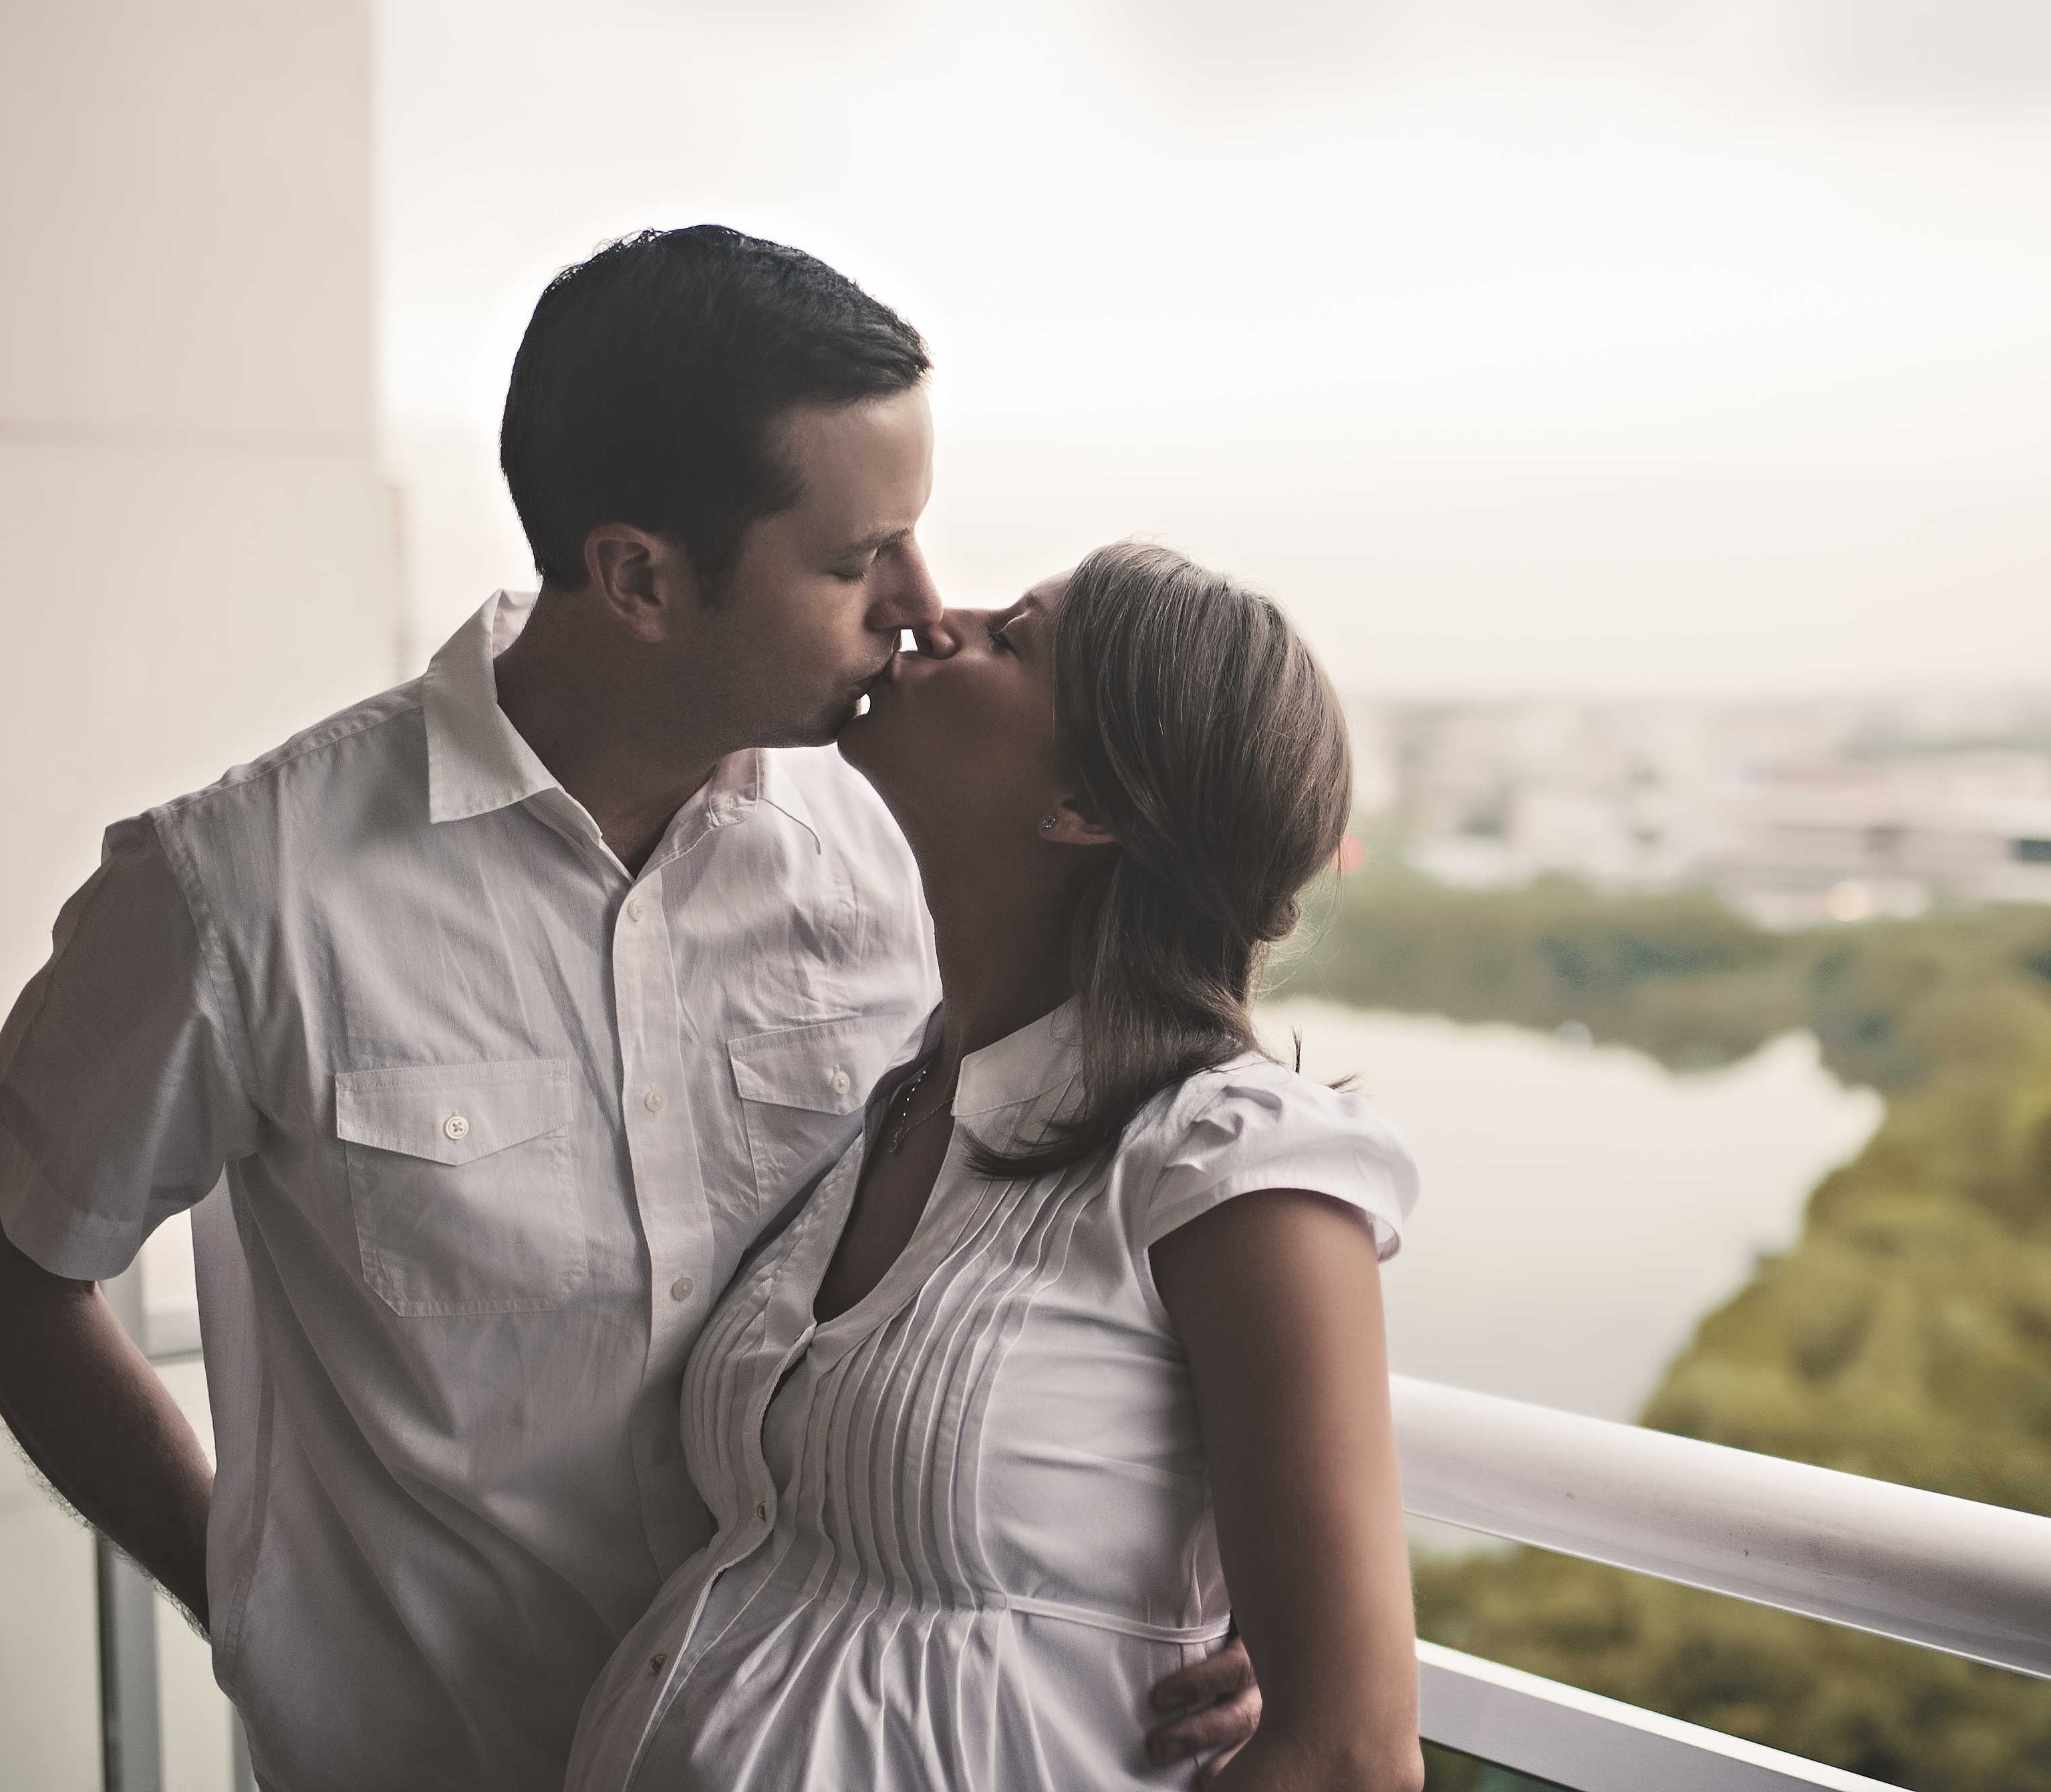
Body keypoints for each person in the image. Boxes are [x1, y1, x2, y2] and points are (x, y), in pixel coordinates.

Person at [0, 228, 1258, 1790]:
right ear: (636, 575)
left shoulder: (899, 859)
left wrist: (1209, 1580)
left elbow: (1069, 1217)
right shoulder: (239, 891)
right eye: (851, 560)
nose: (917, 603)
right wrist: (241, 1599)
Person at [562, 543, 1425, 1792]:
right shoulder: (900, 1089)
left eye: (1014, 638)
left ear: (1086, 808)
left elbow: (1347, 1752)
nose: (933, 621)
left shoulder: (1238, 1165)